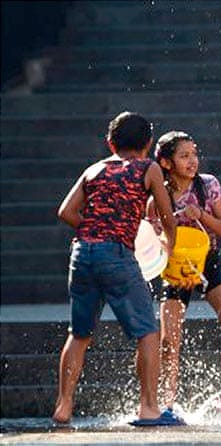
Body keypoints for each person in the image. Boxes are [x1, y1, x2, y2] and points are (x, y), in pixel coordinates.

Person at [52, 111, 181, 426]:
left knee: (79, 333)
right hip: (117, 255)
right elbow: (167, 216)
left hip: (82, 254)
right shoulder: (147, 168)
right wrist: (169, 245)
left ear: (110, 142)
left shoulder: (94, 169)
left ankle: (64, 406)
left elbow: (66, 212)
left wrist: (94, 230)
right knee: (148, 333)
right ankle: (149, 408)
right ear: (148, 144)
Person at [150, 131, 221, 418]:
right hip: (175, 267)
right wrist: (161, 238)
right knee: (169, 340)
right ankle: (167, 403)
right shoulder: (157, 194)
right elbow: (149, 239)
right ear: (166, 163)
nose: (192, 161)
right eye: (184, 156)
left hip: (208, 261)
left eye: (194, 154)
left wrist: (201, 216)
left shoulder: (208, 185)